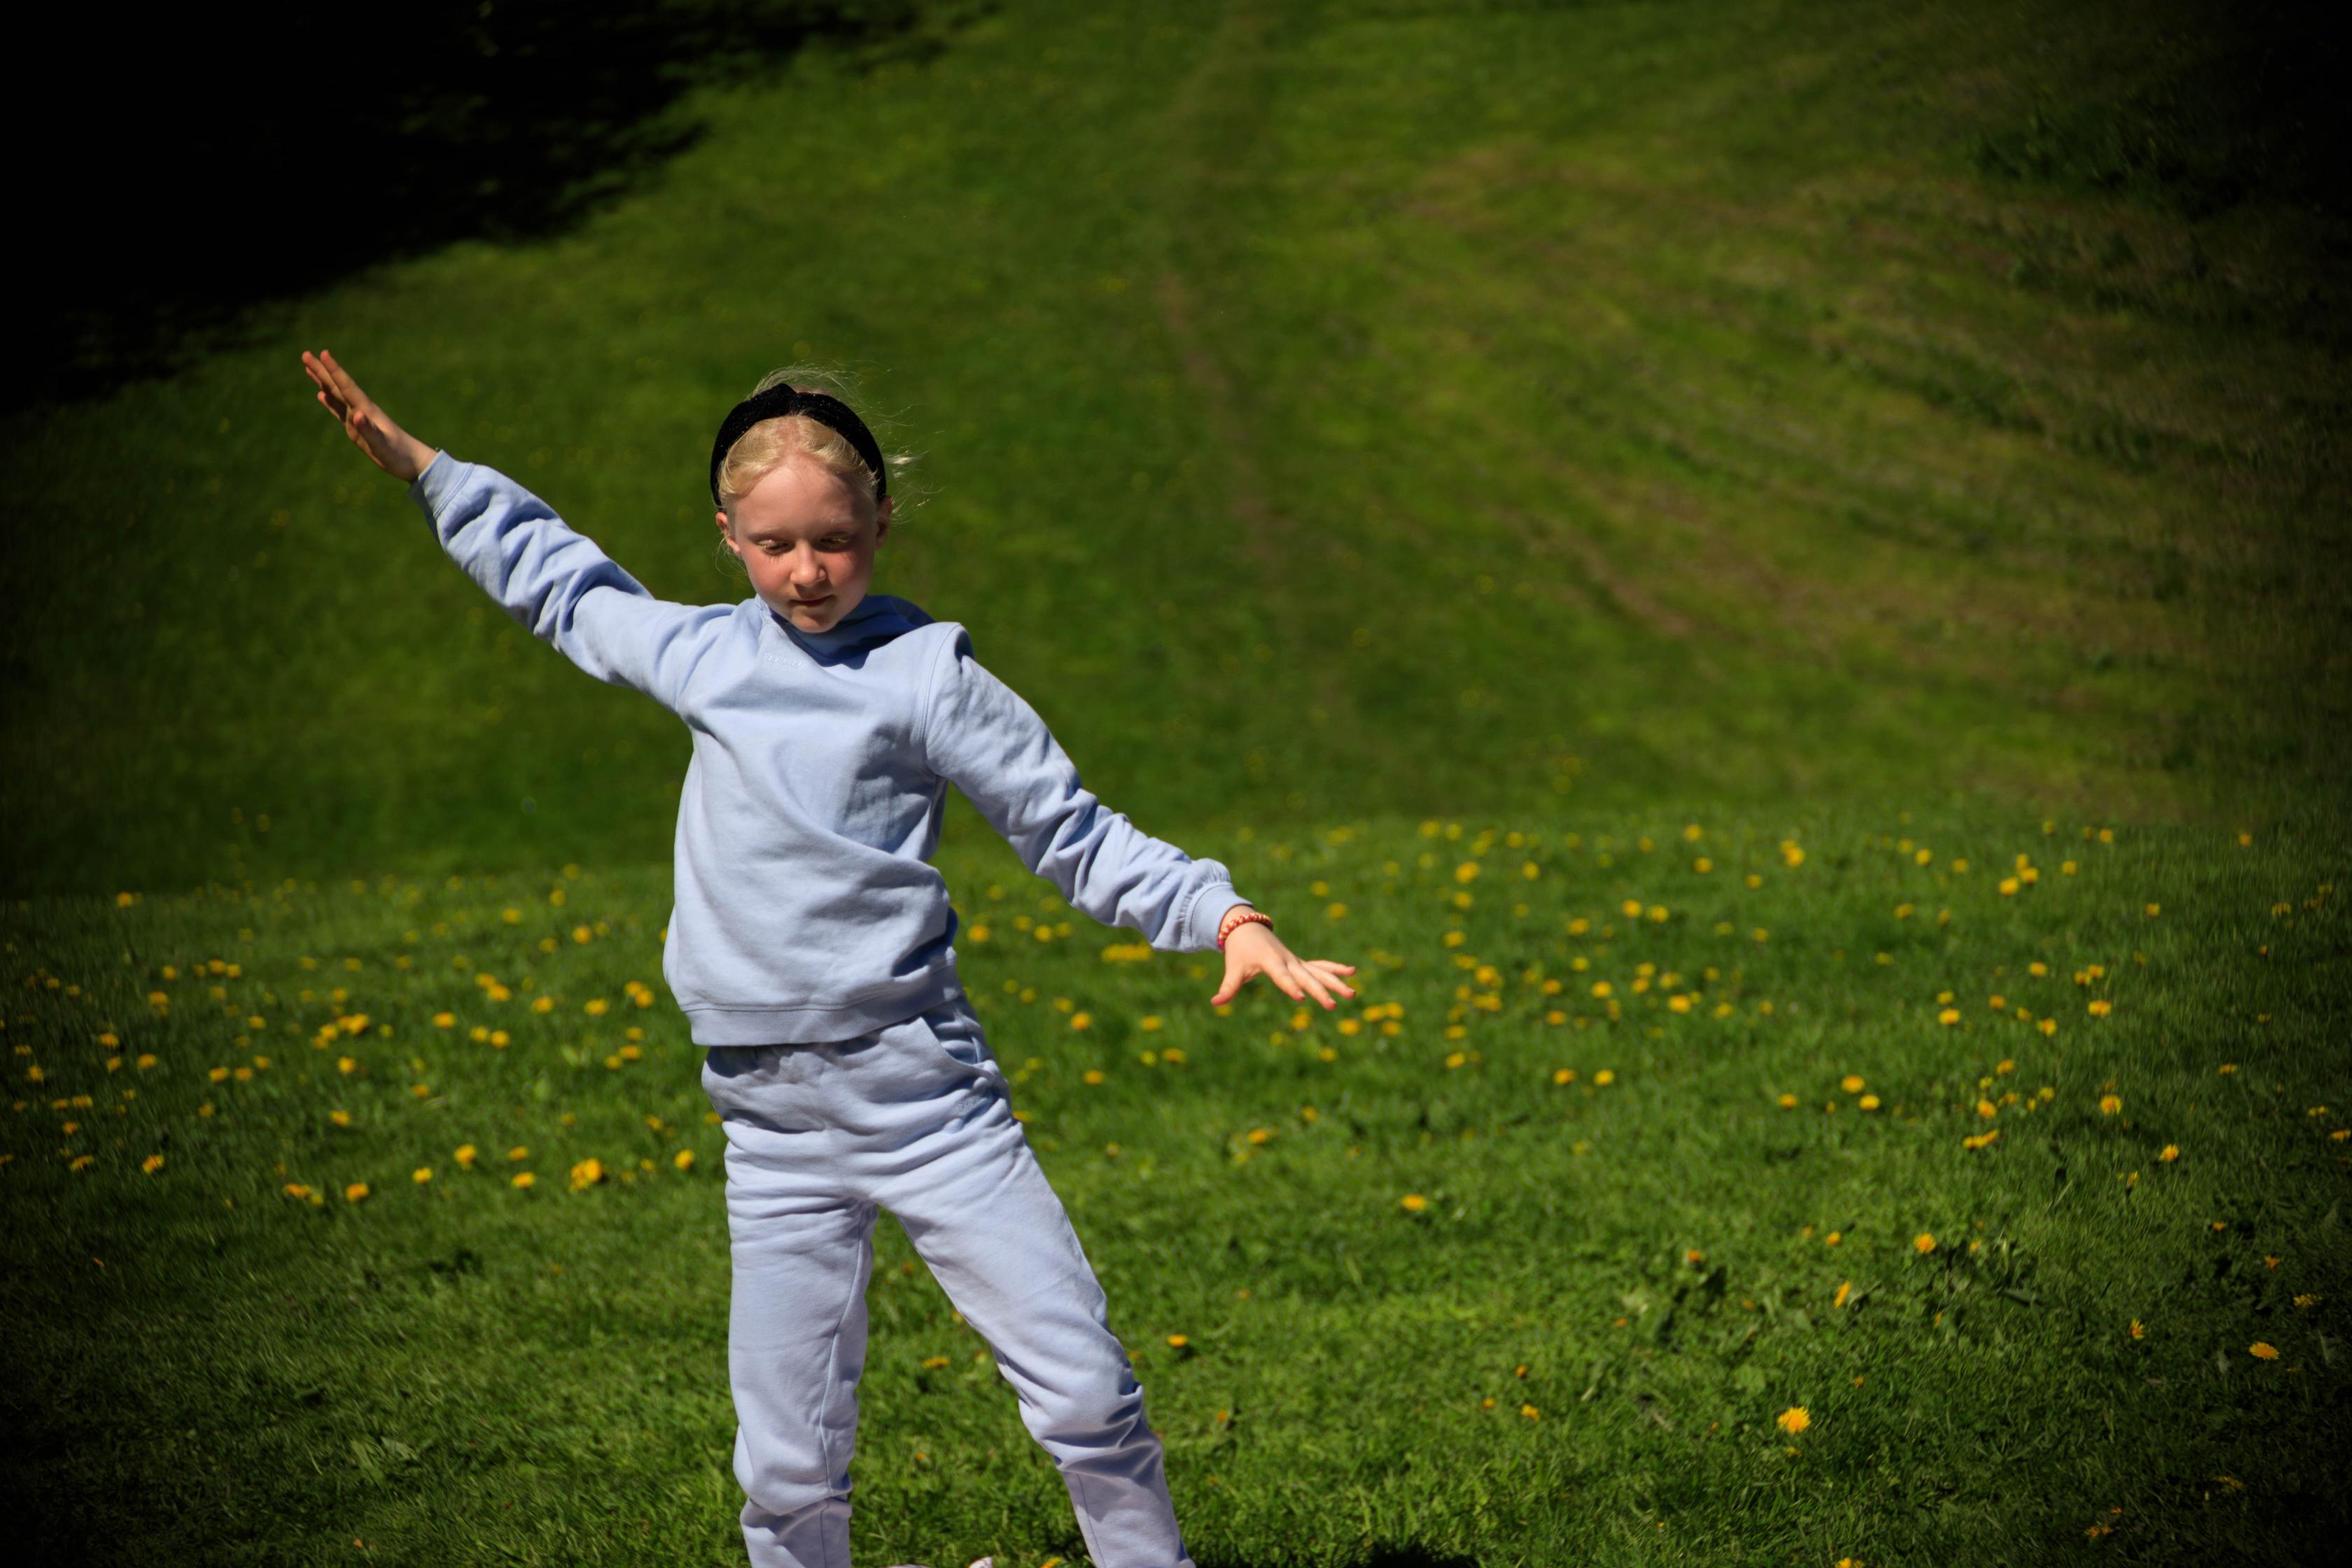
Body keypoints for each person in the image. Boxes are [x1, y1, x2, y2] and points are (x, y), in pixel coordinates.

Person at [300, 349, 1359, 1568]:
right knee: (787, 1460)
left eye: (835, 541)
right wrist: (426, 469)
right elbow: (563, 584)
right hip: (771, 1125)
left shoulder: (929, 678)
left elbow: (1074, 832)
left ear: (881, 523)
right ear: (728, 536)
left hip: (928, 1102)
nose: (807, 572)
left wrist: (1226, 917)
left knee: (1084, 1395)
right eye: (774, 544)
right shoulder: (703, 656)